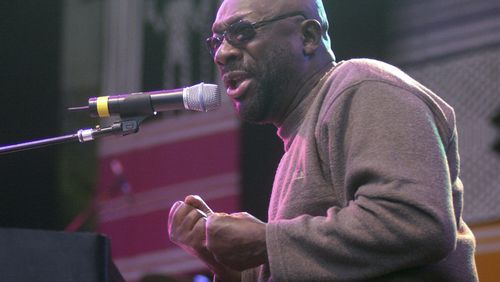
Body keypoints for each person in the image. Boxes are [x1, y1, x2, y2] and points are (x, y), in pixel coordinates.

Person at [168, 0, 479, 281]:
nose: (223, 53)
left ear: (308, 37)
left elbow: (416, 223)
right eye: (216, 41)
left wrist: (266, 241)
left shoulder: (362, 85)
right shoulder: (297, 139)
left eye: (241, 32)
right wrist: (228, 265)